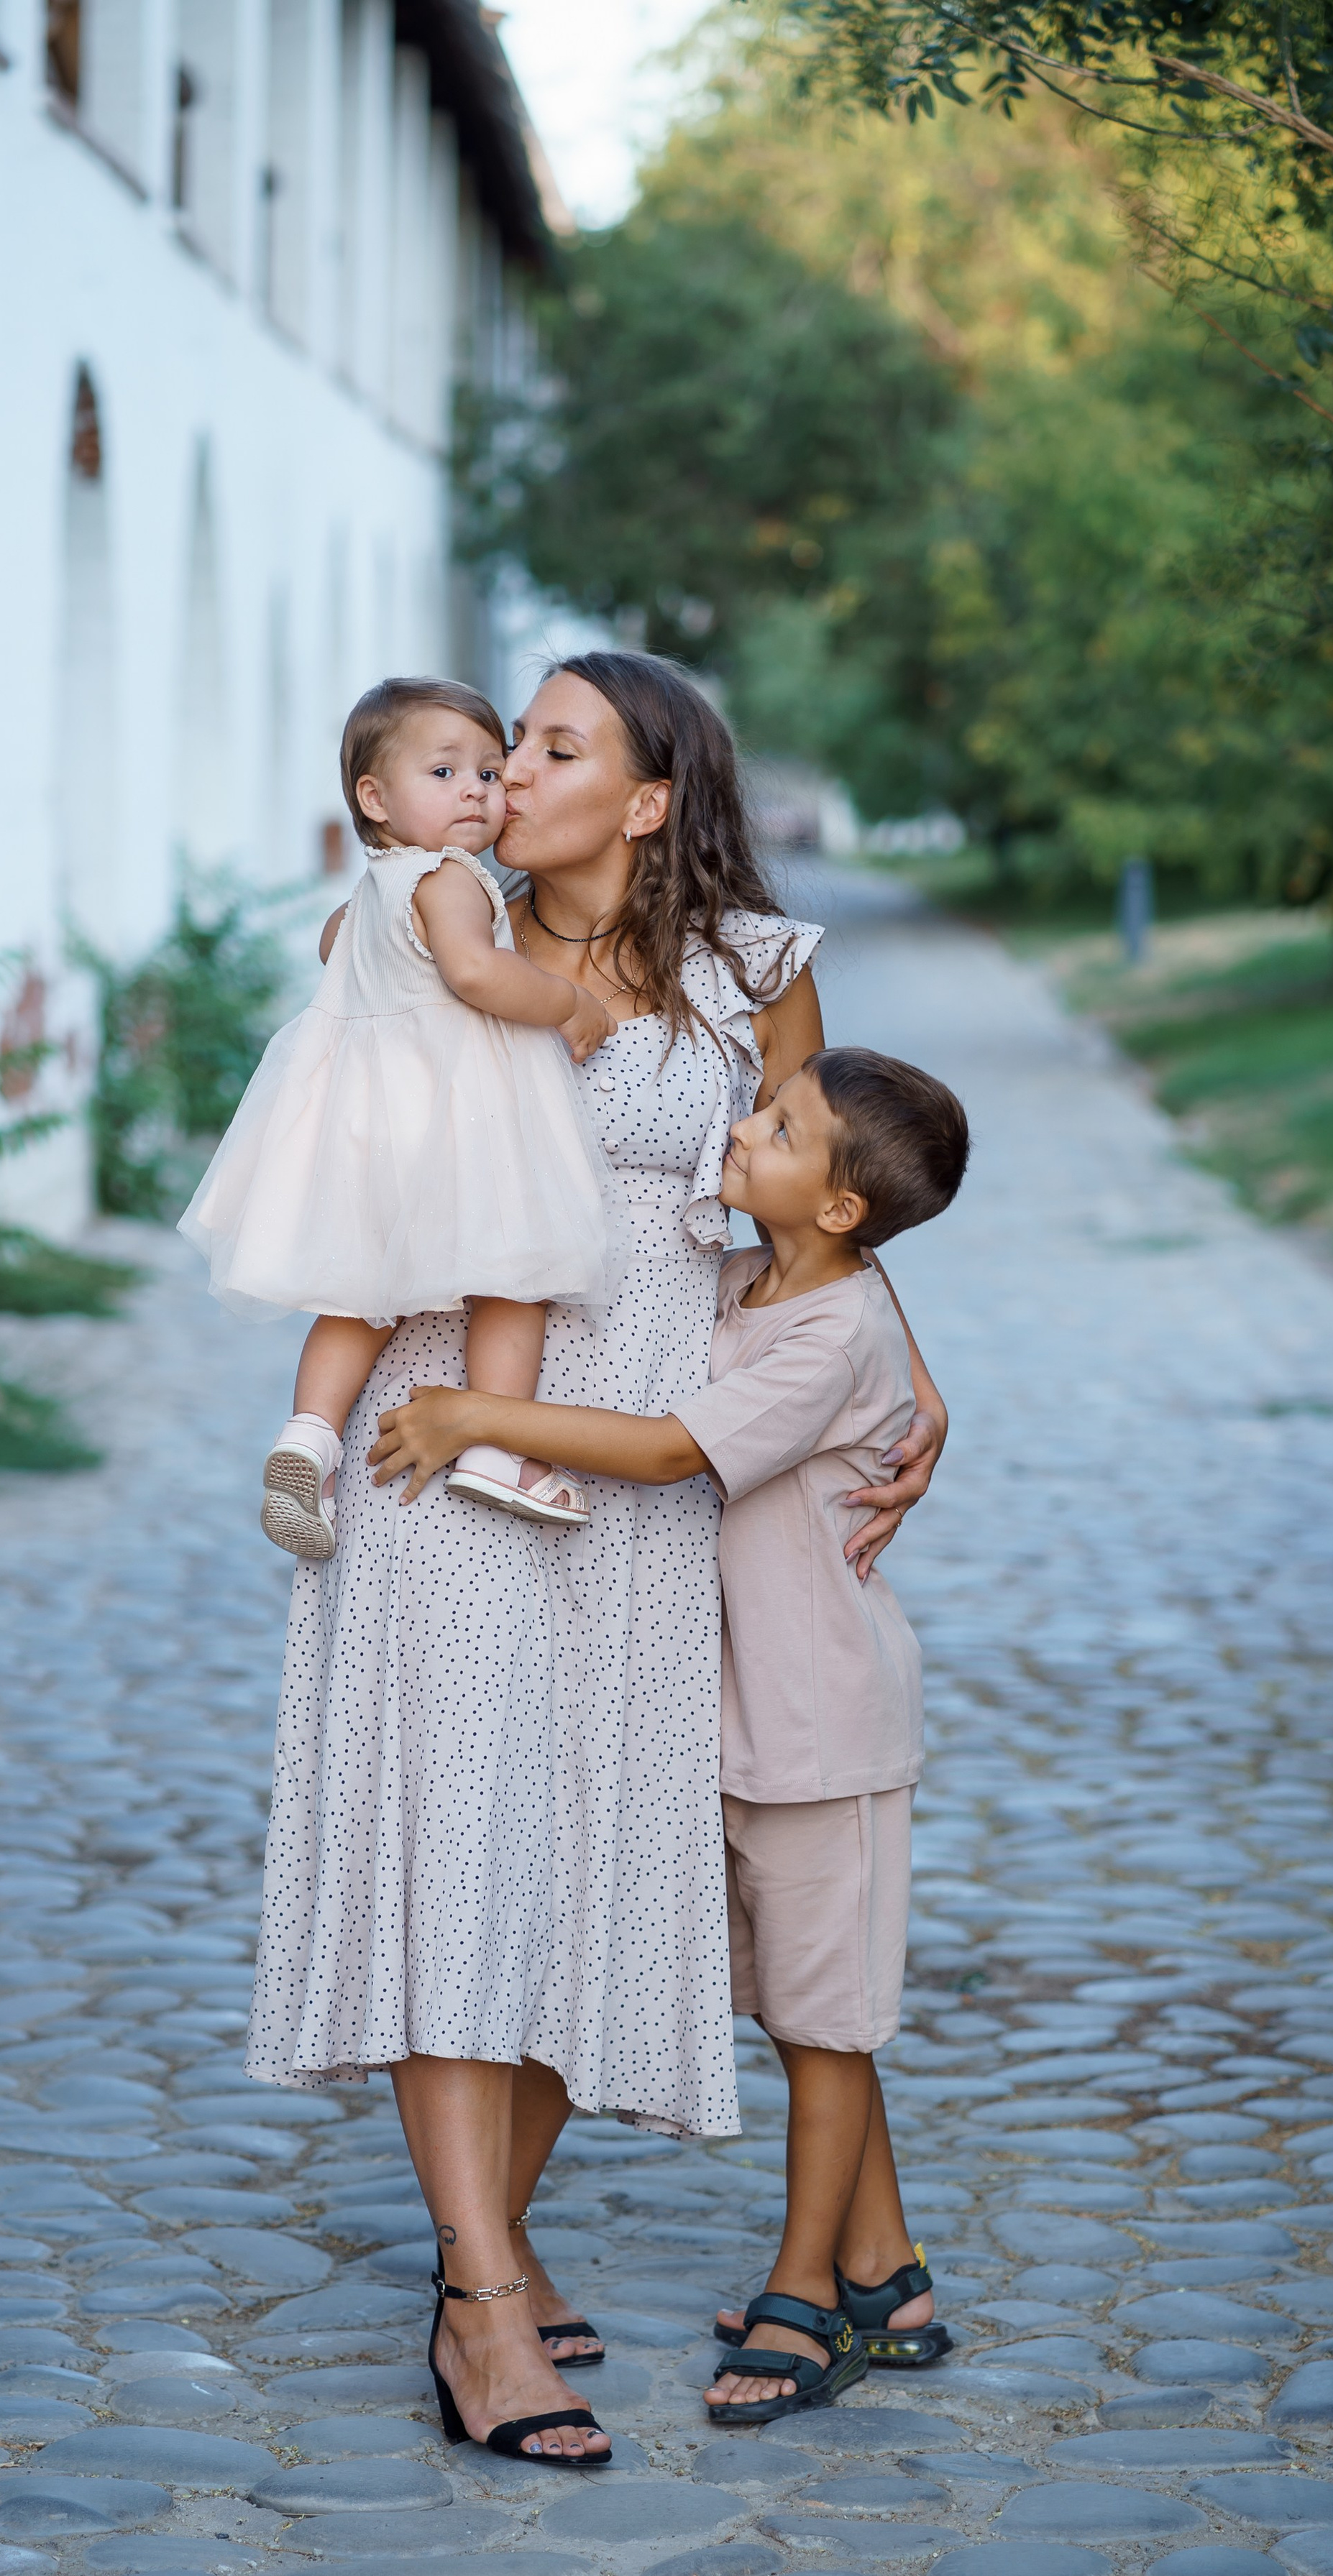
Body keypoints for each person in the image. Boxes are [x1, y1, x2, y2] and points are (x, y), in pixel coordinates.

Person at [242, 653, 948, 2467]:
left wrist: (909, 1370)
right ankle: (479, 2300)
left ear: (643, 801)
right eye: (487, 750)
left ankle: (500, 2241)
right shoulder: (415, 946)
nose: (500, 771)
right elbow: (337, 1181)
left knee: (573, 1849)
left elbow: (815, 1216)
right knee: (455, 1841)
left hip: (646, 1476)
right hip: (445, 1432)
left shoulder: (754, 978)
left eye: (547, 747)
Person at [370, 1044, 968, 2422]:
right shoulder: (759, 1283)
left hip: (821, 1734)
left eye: (779, 1125)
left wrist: (476, 1412)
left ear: (838, 1208)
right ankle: (887, 2274)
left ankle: (808, 2295)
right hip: (732, 1717)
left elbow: (663, 1450)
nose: (743, 1128)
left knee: (826, 2031)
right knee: (799, 2010)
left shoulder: (831, 1331)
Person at [178, 676, 618, 1555]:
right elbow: (477, 975)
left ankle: (309, 1435)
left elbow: (332, 947)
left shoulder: (372, 890)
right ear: (374, 799)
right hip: (458, 1129)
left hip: (370, 1133)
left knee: (356, 1298)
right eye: (446, 771)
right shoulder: (449, 880)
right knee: (514, 1275)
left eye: (490, 775)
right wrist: (568, 1004)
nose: (477, 792)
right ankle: (497, 1445)